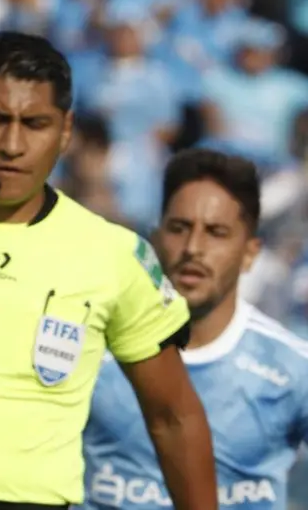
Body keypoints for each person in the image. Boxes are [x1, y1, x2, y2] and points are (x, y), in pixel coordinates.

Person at [0, 32, 218, 509]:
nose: (12, 144)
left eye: (35, 124)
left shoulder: (114, 252)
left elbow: (174, 416)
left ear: (66, 130)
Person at [82, 149, 308, 509]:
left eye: (216, 233)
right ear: (154, 239)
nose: (193, 248)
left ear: (250, 252)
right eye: (179, 228)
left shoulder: (291, 369)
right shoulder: (92, 349)